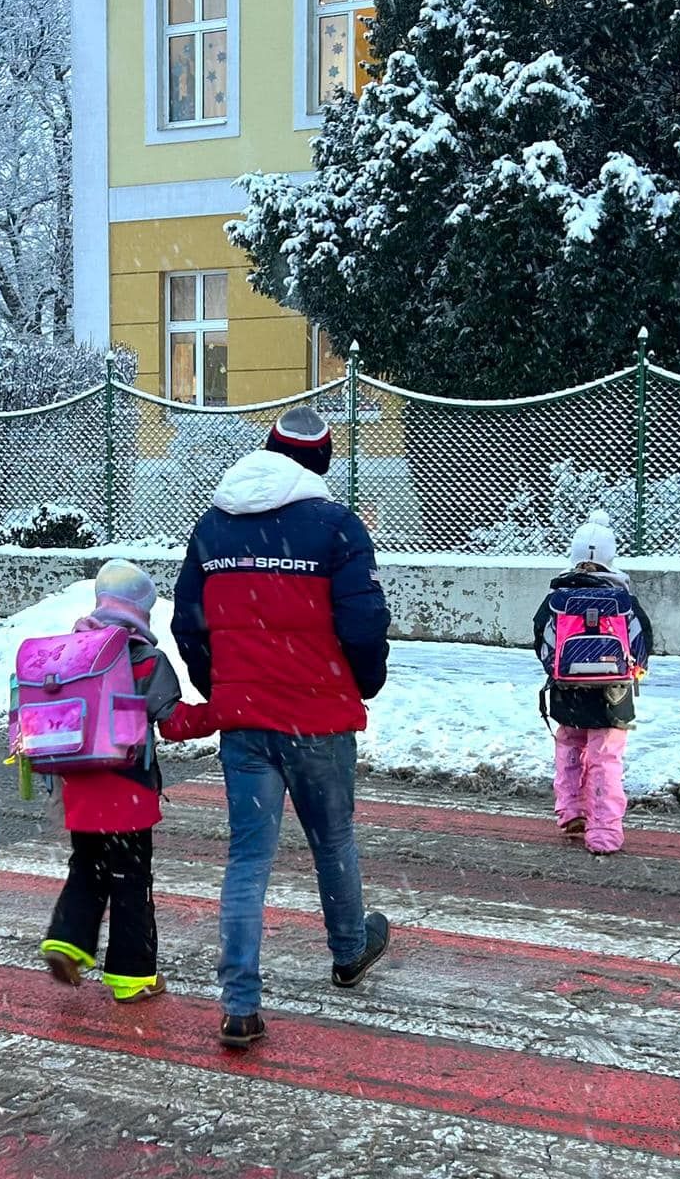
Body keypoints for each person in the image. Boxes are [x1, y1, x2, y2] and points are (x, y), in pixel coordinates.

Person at [171, 406, 392, 1050]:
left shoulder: (213, 525)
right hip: (318, 717)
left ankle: (240, 1003)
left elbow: (189, 622)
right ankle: (350, 950)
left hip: (245, 725)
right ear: (322, 461)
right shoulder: (336, 527)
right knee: (332, 839)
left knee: (248, 858)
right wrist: (364, 682)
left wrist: (224, 689)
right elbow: (363, 622)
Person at [39, 561, 183, 1002]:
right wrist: (222, 715)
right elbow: (172, 721)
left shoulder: (71, 652)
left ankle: (68, 939)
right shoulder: (145, 659)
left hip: (79, 787)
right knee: (131, 880)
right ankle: (131, 976)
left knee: (87, 866)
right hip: (129, 790)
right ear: (143, 610)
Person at [534, 511, 654, 857]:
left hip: (567, 689)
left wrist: (557, 669)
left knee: (569, 746)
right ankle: (604, 833)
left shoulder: (559, 597)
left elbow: (541, 638)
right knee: (606, 759)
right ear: (610, 557)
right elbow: (642, 641)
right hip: (613, 693)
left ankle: (571, 811)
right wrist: (636, 672)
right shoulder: (623, 600)